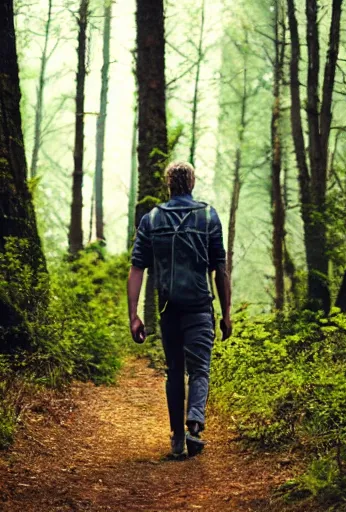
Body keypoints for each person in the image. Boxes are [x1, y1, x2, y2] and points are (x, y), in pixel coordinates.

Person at [127, 161, 232, 459]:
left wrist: (133, 315)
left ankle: (177, 438)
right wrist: (226, 313)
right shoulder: (209, 216)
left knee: (175, 372)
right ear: (193, 183)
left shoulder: (151, 219)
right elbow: (220, 270)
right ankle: (194, 426)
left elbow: (137, 269)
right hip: (200, 307)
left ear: (168, 185)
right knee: (200, 369)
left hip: (168, 308)